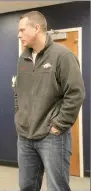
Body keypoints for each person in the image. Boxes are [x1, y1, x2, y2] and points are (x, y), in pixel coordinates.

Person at [15, 11, 85, 191]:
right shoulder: (23, 58)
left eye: (22, 30)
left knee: (57, 187)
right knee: (26, 187)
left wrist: (58, 124)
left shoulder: (63, 56)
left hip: (52, 136)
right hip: (25, 136)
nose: (19, 34)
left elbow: (76, 94)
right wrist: (20, 115)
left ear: (36, 28)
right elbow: (19, 92)